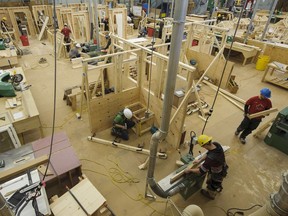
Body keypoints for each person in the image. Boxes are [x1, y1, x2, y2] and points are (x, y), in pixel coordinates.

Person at [185, 134, 227, 200]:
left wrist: (189, 170)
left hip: (216, 173)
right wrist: (199, 160)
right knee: (218, 181)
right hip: (222, 166)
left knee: (212, 183)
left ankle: (211, 194)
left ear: (204, 145)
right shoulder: (216, 144)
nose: (203, 147)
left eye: (202, 146)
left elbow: (200, 171)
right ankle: (218, 187)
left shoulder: (210, 159)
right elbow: (208, 153)